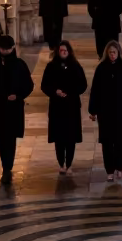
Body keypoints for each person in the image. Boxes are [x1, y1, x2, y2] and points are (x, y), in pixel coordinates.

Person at [0, 34, 34, 183]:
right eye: (2, 49)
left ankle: (8, 166)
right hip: (0, 107)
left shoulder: (19, 64)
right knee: (2, 138)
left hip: (14, 108)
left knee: (11, 138)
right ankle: (5, 166)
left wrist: (18, 96)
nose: (5, 52)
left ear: (12, 49)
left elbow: (29, 85)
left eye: (8, 49)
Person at [88, 40, 122, 180]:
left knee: (120, 141)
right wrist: (92, 110)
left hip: (121, 111)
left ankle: (119, 168)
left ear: (119, 53)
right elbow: (95, 91)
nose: (112, 55)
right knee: (107, 142)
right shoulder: (101, 69)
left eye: (114, 52)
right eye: (110, 52)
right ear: (107, 53)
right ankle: (109, 170)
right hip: (105, 111)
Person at [41, 40, 88, 174]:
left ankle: (69, 163)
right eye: (61, 51)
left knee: (70, 138)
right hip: (57, 106)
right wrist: (55, 91)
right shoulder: (51, 66)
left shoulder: (75, 66)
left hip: (71, 106)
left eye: (65, 51)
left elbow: (82, 84)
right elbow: (45, 85)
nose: (63, 53)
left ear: (69, 52)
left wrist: (71, 91)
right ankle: (61, 162)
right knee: (59, 138)